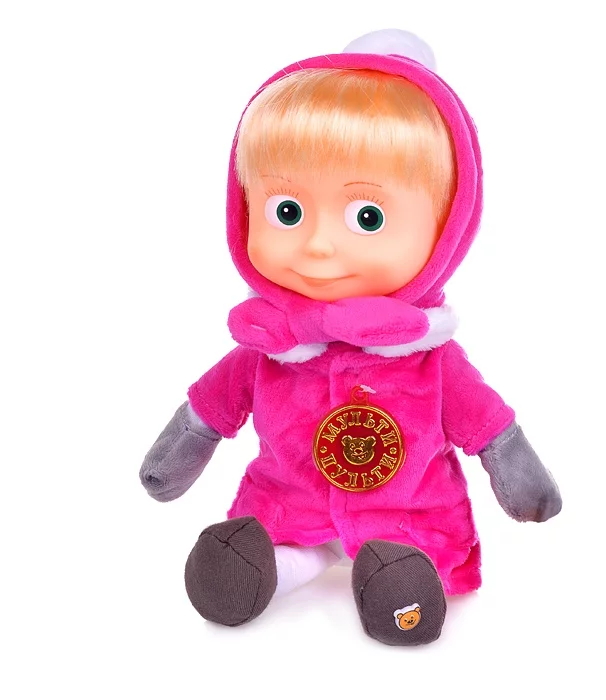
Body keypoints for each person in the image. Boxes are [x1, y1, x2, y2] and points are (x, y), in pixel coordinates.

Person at [140, 29, 562, 647]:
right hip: (286, 504)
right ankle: (269, 566)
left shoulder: (430, 359)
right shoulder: (268, 346)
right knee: (257, 549)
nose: (317, 245)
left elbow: (488, 427)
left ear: (445, 229)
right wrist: (171, 465)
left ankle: (397, 578)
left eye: (368, 216)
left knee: (403, 570)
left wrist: (525, 487)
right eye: (287, 211)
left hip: (409, 518)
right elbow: (209, 411)